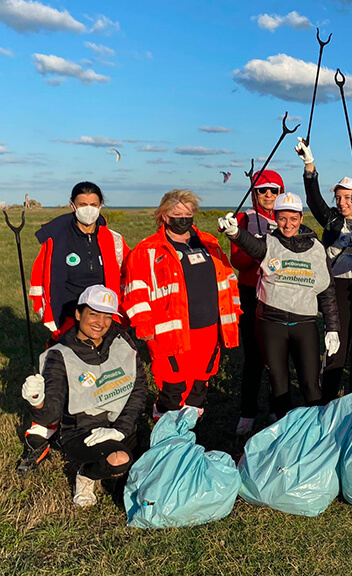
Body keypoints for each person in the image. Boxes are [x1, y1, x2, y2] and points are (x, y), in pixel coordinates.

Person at [20, 181, 129, 473]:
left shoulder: (113, 239)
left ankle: (98, 418)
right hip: (70, 313)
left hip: (105, 315)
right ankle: (46, 425)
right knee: (62, 370)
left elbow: (126, 272)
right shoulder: (57, 238)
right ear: (72, 205)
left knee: (103, 369)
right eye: (83, 204)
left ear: (101, 206)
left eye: (94, 204)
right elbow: (41, 279)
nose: (88, 209)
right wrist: (50, 317)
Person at [20, 285, 148, 507]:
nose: (101, 323)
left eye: (107, 316)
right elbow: (49, 412)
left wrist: (121, 429)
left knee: (161, 456)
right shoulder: (59, 355)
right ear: (78, 314)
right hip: (82, 432)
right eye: (94, 314)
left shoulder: (122, 340)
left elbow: (139, 388)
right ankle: (86, 474)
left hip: (122, 425)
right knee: (120, 461)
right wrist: (36, 400)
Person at [219, 193, 341, 419]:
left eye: (293, 219)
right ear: (276, 218)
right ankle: (284, 432)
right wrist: (234, 232)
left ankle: (316, 430)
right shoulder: (269, 243)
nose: (288, 224)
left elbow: (327, 291)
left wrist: (332, 327)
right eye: (282, 219)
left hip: (304, 324)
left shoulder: (316, 248)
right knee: (279, 384)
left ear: (301, 218)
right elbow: (250, 244)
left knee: (310, 385)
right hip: (271, 324)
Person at [122, 190, 241, 419]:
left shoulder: (209, 243)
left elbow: (228, 281)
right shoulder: (147, 250)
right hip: (170, 332)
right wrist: (143, 325)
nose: (184, 217)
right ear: (164, 216)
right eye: (177, 213)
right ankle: (165, 433)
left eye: (188, 213)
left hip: (209, 329)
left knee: (199, 385)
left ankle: (187, 434)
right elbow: (134, 292)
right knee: (173, 389)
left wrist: (233, 315)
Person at [294, 139, 352, 404]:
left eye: (347, 197)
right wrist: (309, 165)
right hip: (336, 286)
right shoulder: (332, 221)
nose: (341, 202)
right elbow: (313, 200)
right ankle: (326, 400)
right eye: (338, 198)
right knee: (335, 345)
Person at [229, 170, 282, 436]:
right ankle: (247, 412)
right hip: (251, 292)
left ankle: (277, 407)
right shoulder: (243, 218)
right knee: (253, 356)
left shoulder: (287, 215)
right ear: (254, 193)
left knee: (278, 355)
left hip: (279, 292)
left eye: (274, 190)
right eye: (263, 190)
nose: (269, 195)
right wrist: (256, 248)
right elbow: (236, 261)